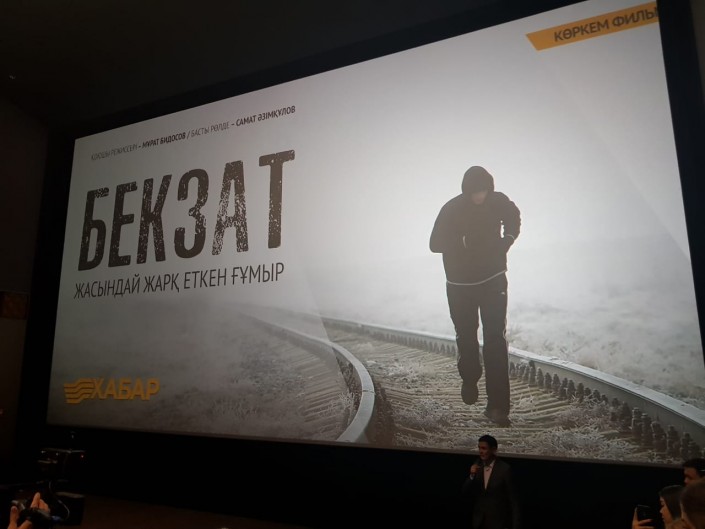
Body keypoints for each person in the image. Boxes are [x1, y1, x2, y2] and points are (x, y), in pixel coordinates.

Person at [430, 165, 521, 427]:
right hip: (459, 286)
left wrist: (507, 239)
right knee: (466, 337)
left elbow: (514, 217)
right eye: (475, 192)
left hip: (493, 280)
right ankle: (470, 378)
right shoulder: (451, 209)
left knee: (495, 339)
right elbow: (434, 244)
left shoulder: (498, 201)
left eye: (483, 190)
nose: (480, 196)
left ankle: (498, 408)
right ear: (466, 191)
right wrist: (465, 242)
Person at [461, 434, 521, 529]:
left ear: (493, 450)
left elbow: (513, 501)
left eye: (484, 448)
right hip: (479, 521)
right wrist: (472, 475)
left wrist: (515, 525)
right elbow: (465, 491)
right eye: (479, 448)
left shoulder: (504, 469)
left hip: (498, 523)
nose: (480, 451)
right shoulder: (477, 466)